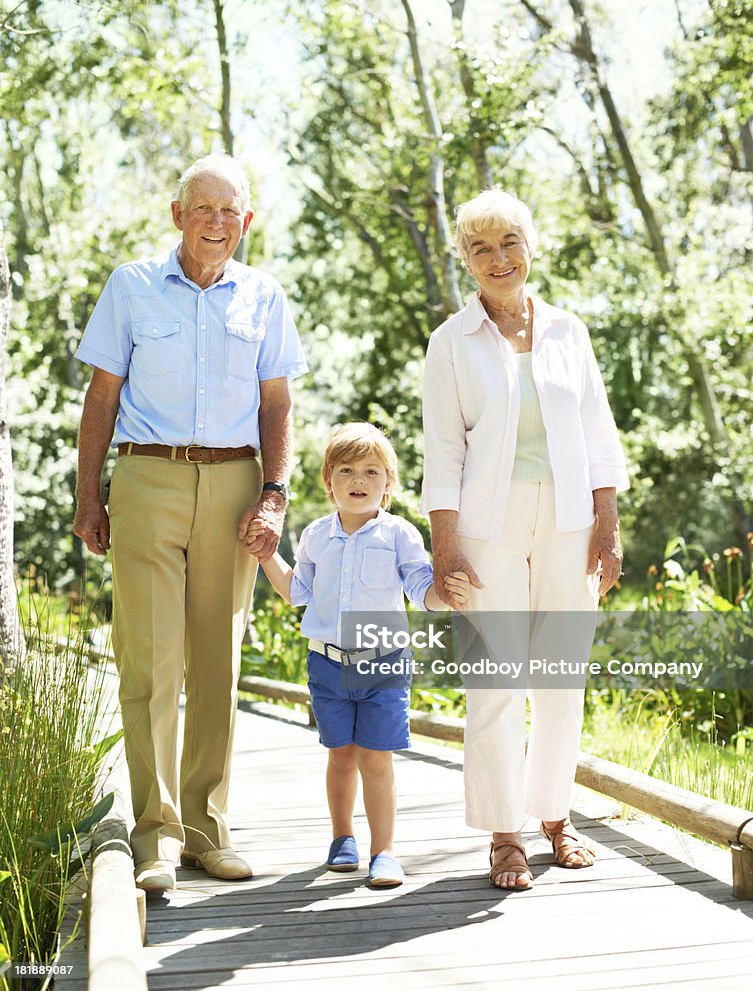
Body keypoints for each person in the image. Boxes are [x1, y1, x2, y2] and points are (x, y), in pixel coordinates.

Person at [73, 153, 308, 893]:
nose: (215, 221)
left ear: (247, 221)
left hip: (236, 481)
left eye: (229, 210)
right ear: (177, 215)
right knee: (150, 661)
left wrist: (274, 493)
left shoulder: (264, 297)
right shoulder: (132, 287)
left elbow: (277, 406)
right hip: (147, 476)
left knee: (217, 663)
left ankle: (207, 830)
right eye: (201, 207)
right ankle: (154, 835)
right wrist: (89, 497)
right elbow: (101, 398)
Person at [421, 189, 629, 891]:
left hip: (571, 522)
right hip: (487, 527)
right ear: (464, 261)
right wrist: (444, 545)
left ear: (529, 247)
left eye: (507, 241)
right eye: (479, 247)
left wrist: (608, 525)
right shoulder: (450, 342)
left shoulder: (568, 331)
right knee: (495, 683)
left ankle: (554, 817)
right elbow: (442, 451)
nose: (496, 258)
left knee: (560, 682)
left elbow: (598, 434)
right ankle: (505, 833)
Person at [249, 422, 469, 887]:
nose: (358, 480)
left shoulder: (400, 536)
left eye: (372, 471)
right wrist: (266, 554)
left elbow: (419, 587)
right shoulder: (314, 536)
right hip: (327, 664)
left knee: (377, 758)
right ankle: (341, 838)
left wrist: (444, 596)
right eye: (346, 470)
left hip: (384, 664)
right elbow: (296, 591)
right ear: (329, 481)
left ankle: (384, 850)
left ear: (388, 484)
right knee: (341, 756)